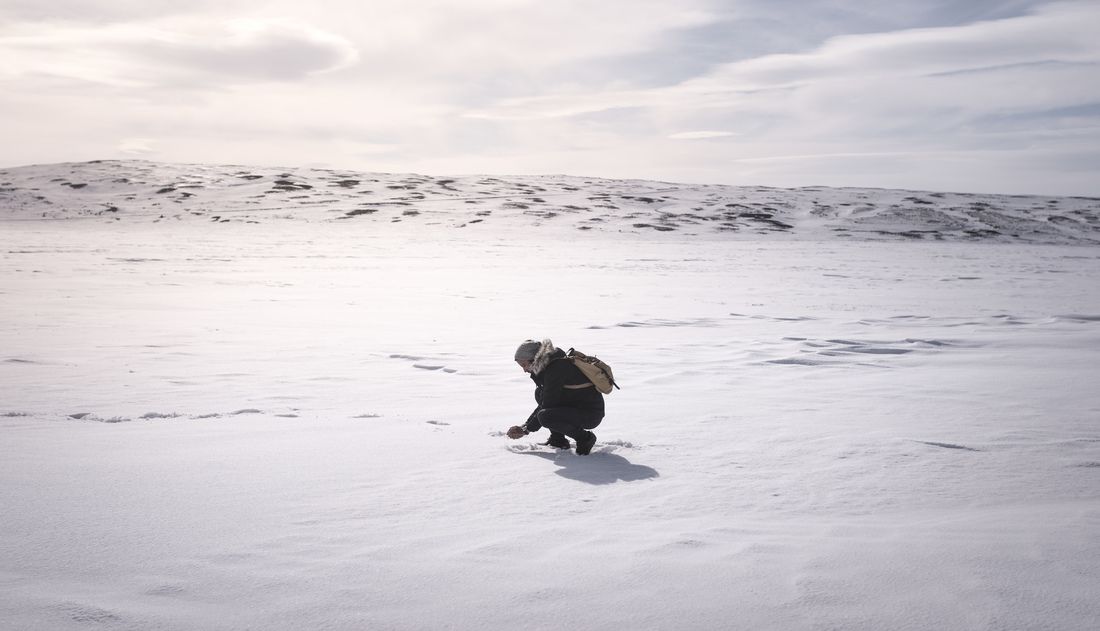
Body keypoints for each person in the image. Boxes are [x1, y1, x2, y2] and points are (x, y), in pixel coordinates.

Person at [507, 339, 603, 455]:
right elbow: (545, 400)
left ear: (534, 358)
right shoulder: (550, 364)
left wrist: (526, 429)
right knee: (539, 393)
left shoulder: (556, 367)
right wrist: (526, 426)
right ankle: (558, 440)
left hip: (590, 414)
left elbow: (548, 404)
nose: (525, 370)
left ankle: (585, 438)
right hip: (576, 407)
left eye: (525, 365)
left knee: (545, 416)